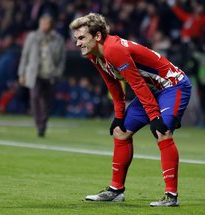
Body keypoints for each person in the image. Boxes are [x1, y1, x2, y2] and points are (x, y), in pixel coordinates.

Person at [69, 13, 192, 207]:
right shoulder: (95, 54)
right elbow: (113, 84)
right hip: (152, 89)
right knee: (121, 132)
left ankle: (171, 195)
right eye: (76, 39)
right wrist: (119, 116)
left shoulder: (113, 49)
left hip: (173, 85)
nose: (78, 43)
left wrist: (154, 116)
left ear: (98, 36)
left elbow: (136, 84)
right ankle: (115, 190)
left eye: (82, 38)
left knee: (163, 131)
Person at [18, 13, 66, 137]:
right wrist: (21, 74)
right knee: (34, 97)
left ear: (51, 24)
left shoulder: (58, 39)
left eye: (47, 23)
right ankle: (39, 124)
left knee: (46, 102)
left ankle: (43, 122)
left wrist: (58, 72)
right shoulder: (32, 37)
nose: (44, 25)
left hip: (50, 74)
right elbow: (25, 56)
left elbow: (61, 59)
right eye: (43, 23)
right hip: (35, 73)